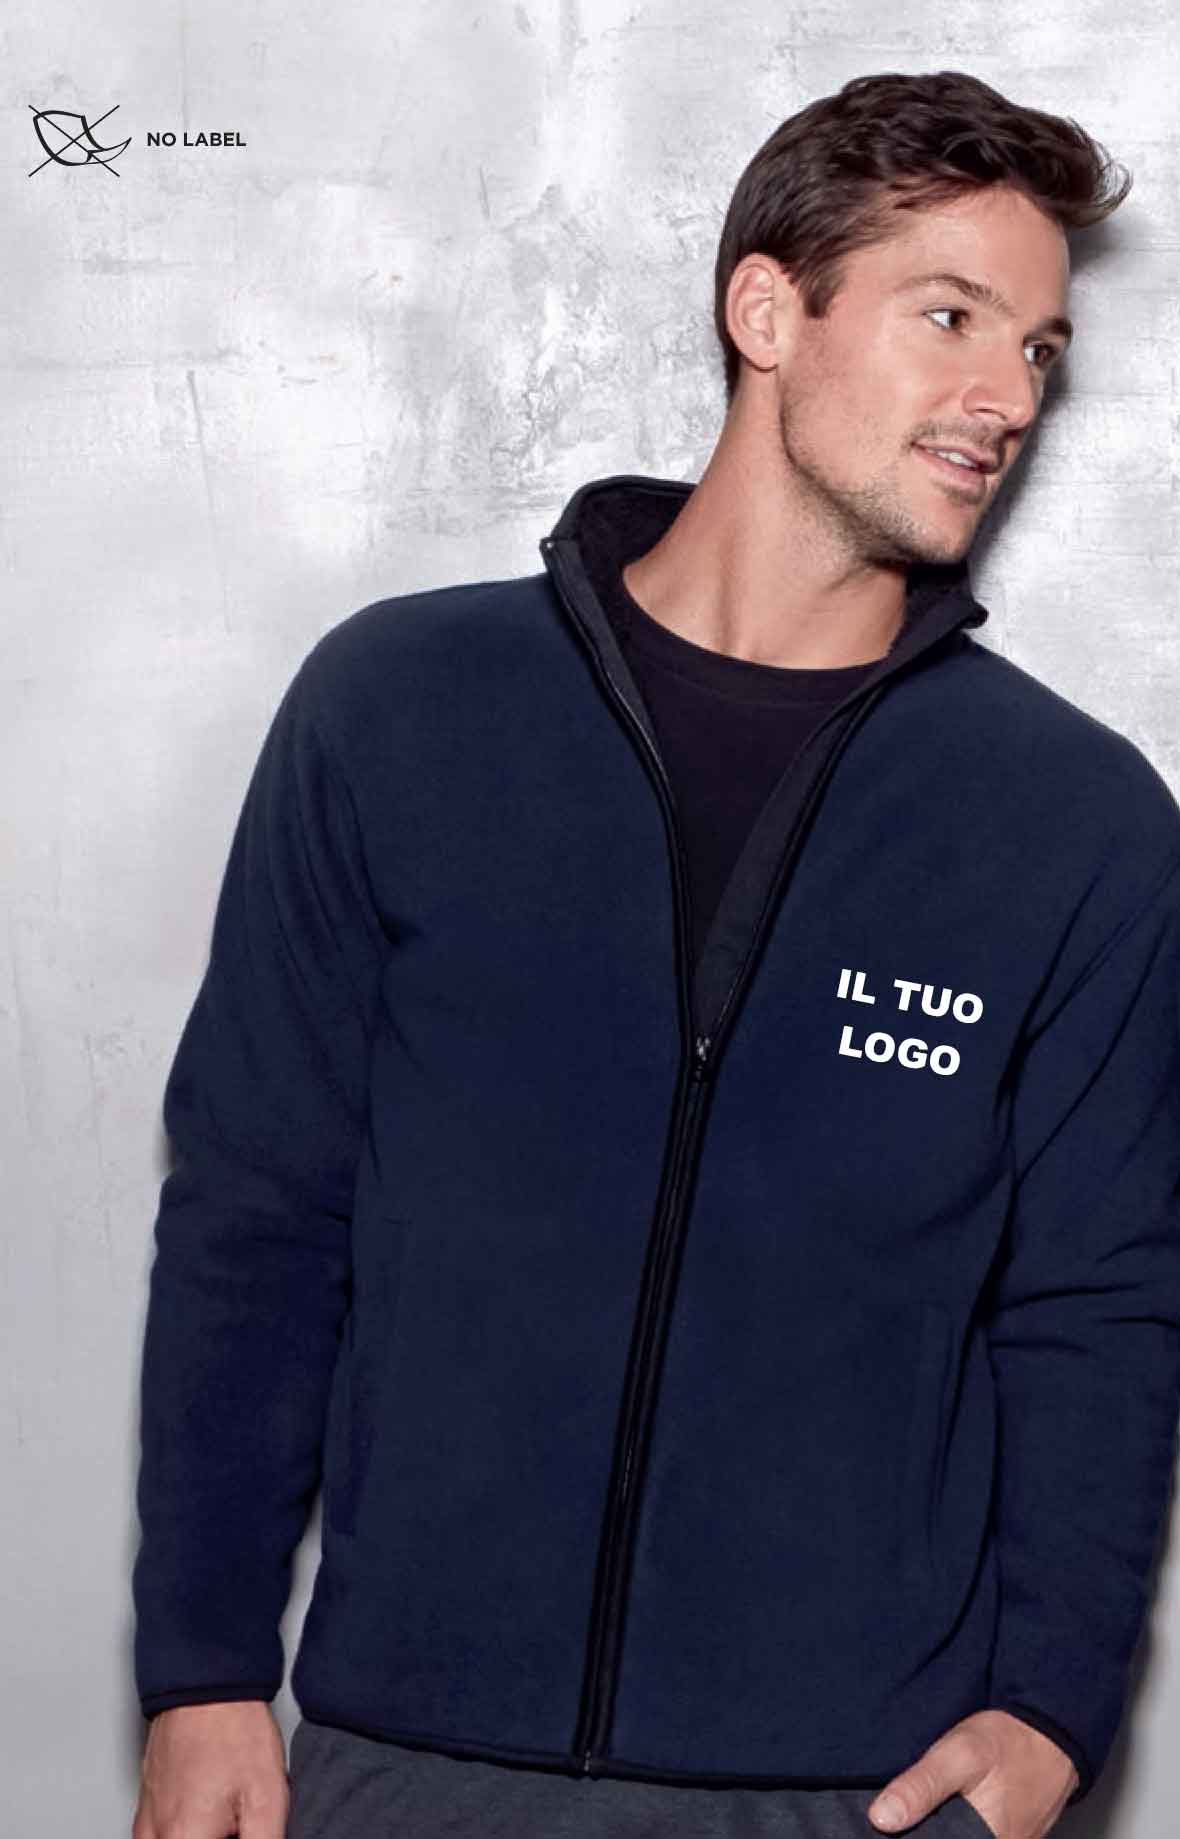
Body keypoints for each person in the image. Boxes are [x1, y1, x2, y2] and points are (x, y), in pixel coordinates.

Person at [130, 68, 1180, 1839]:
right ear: (768, 310)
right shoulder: (402, 710)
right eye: (950, 318)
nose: (1006, 396)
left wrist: (1053, 1713)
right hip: (412, 1766)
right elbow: (259, 1209)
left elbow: (1100, 1300)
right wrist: (203, 1669)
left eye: (1040, 351)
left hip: (854, 1791)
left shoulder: (1072, 819)